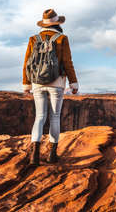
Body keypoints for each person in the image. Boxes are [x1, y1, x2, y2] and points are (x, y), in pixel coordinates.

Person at [22, 9, 78, 166]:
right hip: (57, 82)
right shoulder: (62, 38)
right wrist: (73, 83)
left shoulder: (34, 38)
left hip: (37, 82)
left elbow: (26, 62)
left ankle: (34, 156)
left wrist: (26, 84)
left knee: (39, 117)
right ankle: (52, 155)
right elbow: (67, 62)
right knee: (54, 117)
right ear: (57, 23)